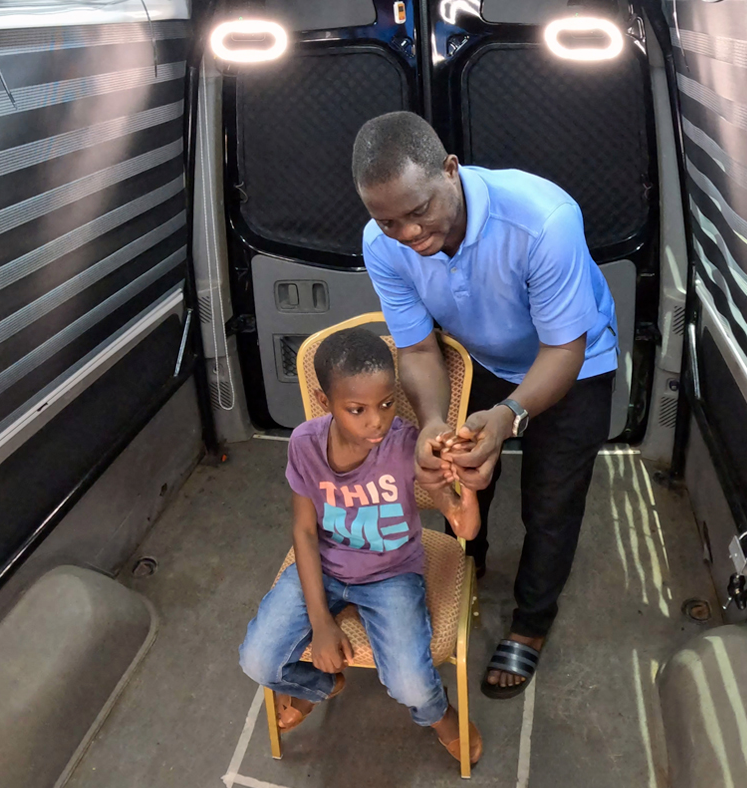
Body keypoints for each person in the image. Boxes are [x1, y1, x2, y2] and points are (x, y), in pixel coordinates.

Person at [351, 111, 619, 700]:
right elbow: (419, 347)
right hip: (479, 361)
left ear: (450, 170)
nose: (409, 235)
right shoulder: (382, 244)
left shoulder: (543, 219)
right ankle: (468, 569)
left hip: (573, 364)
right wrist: (432, 423)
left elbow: (564, 347)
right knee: (463, 477)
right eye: (388, 220)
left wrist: (509, 418)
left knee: (551, 501)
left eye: (419, 211)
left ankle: (531, 621)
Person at [238, 327, 484, 765]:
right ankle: (321, 687)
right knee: (257, 660)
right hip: (324, 566)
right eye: (357, 409)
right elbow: (305, 532)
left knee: (409, 682)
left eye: (387, 403)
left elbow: (464, 529)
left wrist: (463, 485)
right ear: (324, 400)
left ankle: (440, 713)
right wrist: (320, 622)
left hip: (392, 574)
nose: (377, 420)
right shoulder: (305, 445)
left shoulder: (408, 443)